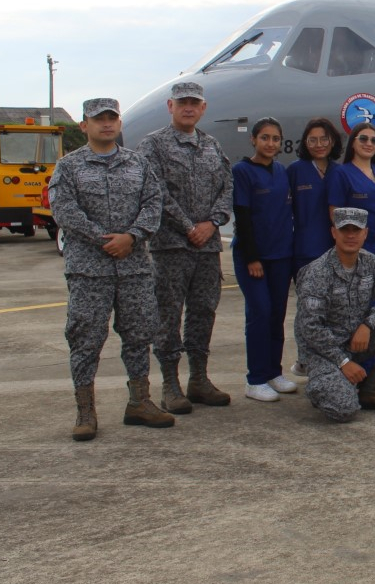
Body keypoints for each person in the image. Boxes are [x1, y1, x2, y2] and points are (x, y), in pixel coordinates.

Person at [50, 97, 172, 440]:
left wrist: (131, 237)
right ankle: (85, 411)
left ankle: (139, 402)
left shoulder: (138, 164)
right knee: (85, 338)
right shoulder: (69, 167)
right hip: (90, 270)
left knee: (138, 335)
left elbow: (153, 204)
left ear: (119, 123)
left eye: (112, 118)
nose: (106, 124)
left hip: (133, 268)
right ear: (84, 126)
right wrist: (106, 240)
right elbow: (65, 212)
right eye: (98, 119)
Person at [138, 80, 233, 413]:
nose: (189, 107)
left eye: (194, 102)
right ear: (170, 107)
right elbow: (155, 192)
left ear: (203, 108)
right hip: (171, 248)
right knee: (168, 315)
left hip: (207, 247)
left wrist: (212, 223)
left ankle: (199, 379)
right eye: (182, 103)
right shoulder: (153, 145)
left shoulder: (212, 146)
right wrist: (188, 226)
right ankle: (169, 383)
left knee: (203, 312)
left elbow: (227, 188)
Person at [295, 207, 375, 422]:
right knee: (344, 409)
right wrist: (343, 362)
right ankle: (321, 384)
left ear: (365, 233)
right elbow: (310, 328)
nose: (351, 235)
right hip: (323, 353)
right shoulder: (318, 272)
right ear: (334, 233)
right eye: (345, 230)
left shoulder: (371, 262)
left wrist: (367, 325)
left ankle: (374, 389)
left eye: (356, 230)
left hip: (355, 343)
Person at [231, 118, 297, 402]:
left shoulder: (282, 171)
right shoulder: (242, 171)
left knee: (277, 315)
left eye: (276, 139)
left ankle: (273, 371)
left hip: (281, 254)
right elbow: (242, 218)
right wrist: (252, 257)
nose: (271, 144)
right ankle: (255, 379)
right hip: (254, 257)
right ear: (254, 140)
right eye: (265, 138)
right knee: (259, 313)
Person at [287, 117, 342, 378]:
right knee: (308, 310)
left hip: (334, 251)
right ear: (305, 143)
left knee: (332, 309)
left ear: (332, 141)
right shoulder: (296, 171)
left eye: (324, 139)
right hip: (305, 251)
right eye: (312, 140)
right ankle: (304, 360)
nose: (319, 145)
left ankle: (327, 357)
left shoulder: (338, 171)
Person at [328, 123, 375, 274]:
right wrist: (348, 246)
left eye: (374, 140)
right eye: (363, 139)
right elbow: (334, 214)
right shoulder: (341, 174)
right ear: (353, 144)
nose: (369, 144)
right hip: (355, 252)